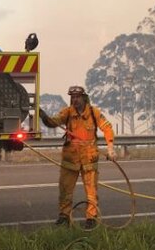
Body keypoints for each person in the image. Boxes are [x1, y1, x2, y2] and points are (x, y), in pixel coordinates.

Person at [39, 86, 116, 229]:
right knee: (65, 189)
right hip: (71, 159)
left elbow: (107, 128)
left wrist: (110, 147)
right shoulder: (67, 112)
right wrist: (43, 116)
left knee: (91, 191)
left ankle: (91, 218)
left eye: (77, 97)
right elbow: (54, 121)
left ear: (84, 97)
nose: (74, 100)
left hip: (89, 159)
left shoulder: (94, 112)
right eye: (72, 97)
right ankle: (64, 216)